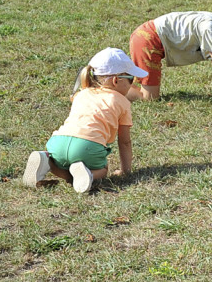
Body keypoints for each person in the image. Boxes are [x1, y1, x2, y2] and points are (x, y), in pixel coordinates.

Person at [23, 48, 146, 193]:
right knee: (103, 170)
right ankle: (88, 174)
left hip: (57, 142)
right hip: (88, 146)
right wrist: (125, 171)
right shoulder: (122, 102)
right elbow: (124, 142)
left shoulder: (82, 94)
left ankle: (47, 161)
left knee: (63, 165)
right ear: (116, 80)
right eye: (131, 79)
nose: (132, 84)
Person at [127, 11, 212, 104]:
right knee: (149, 98)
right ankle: (114, 88)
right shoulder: (211, 31)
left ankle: (119, 82)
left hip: (148, 37)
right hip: (148, 40)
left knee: (149, 94)